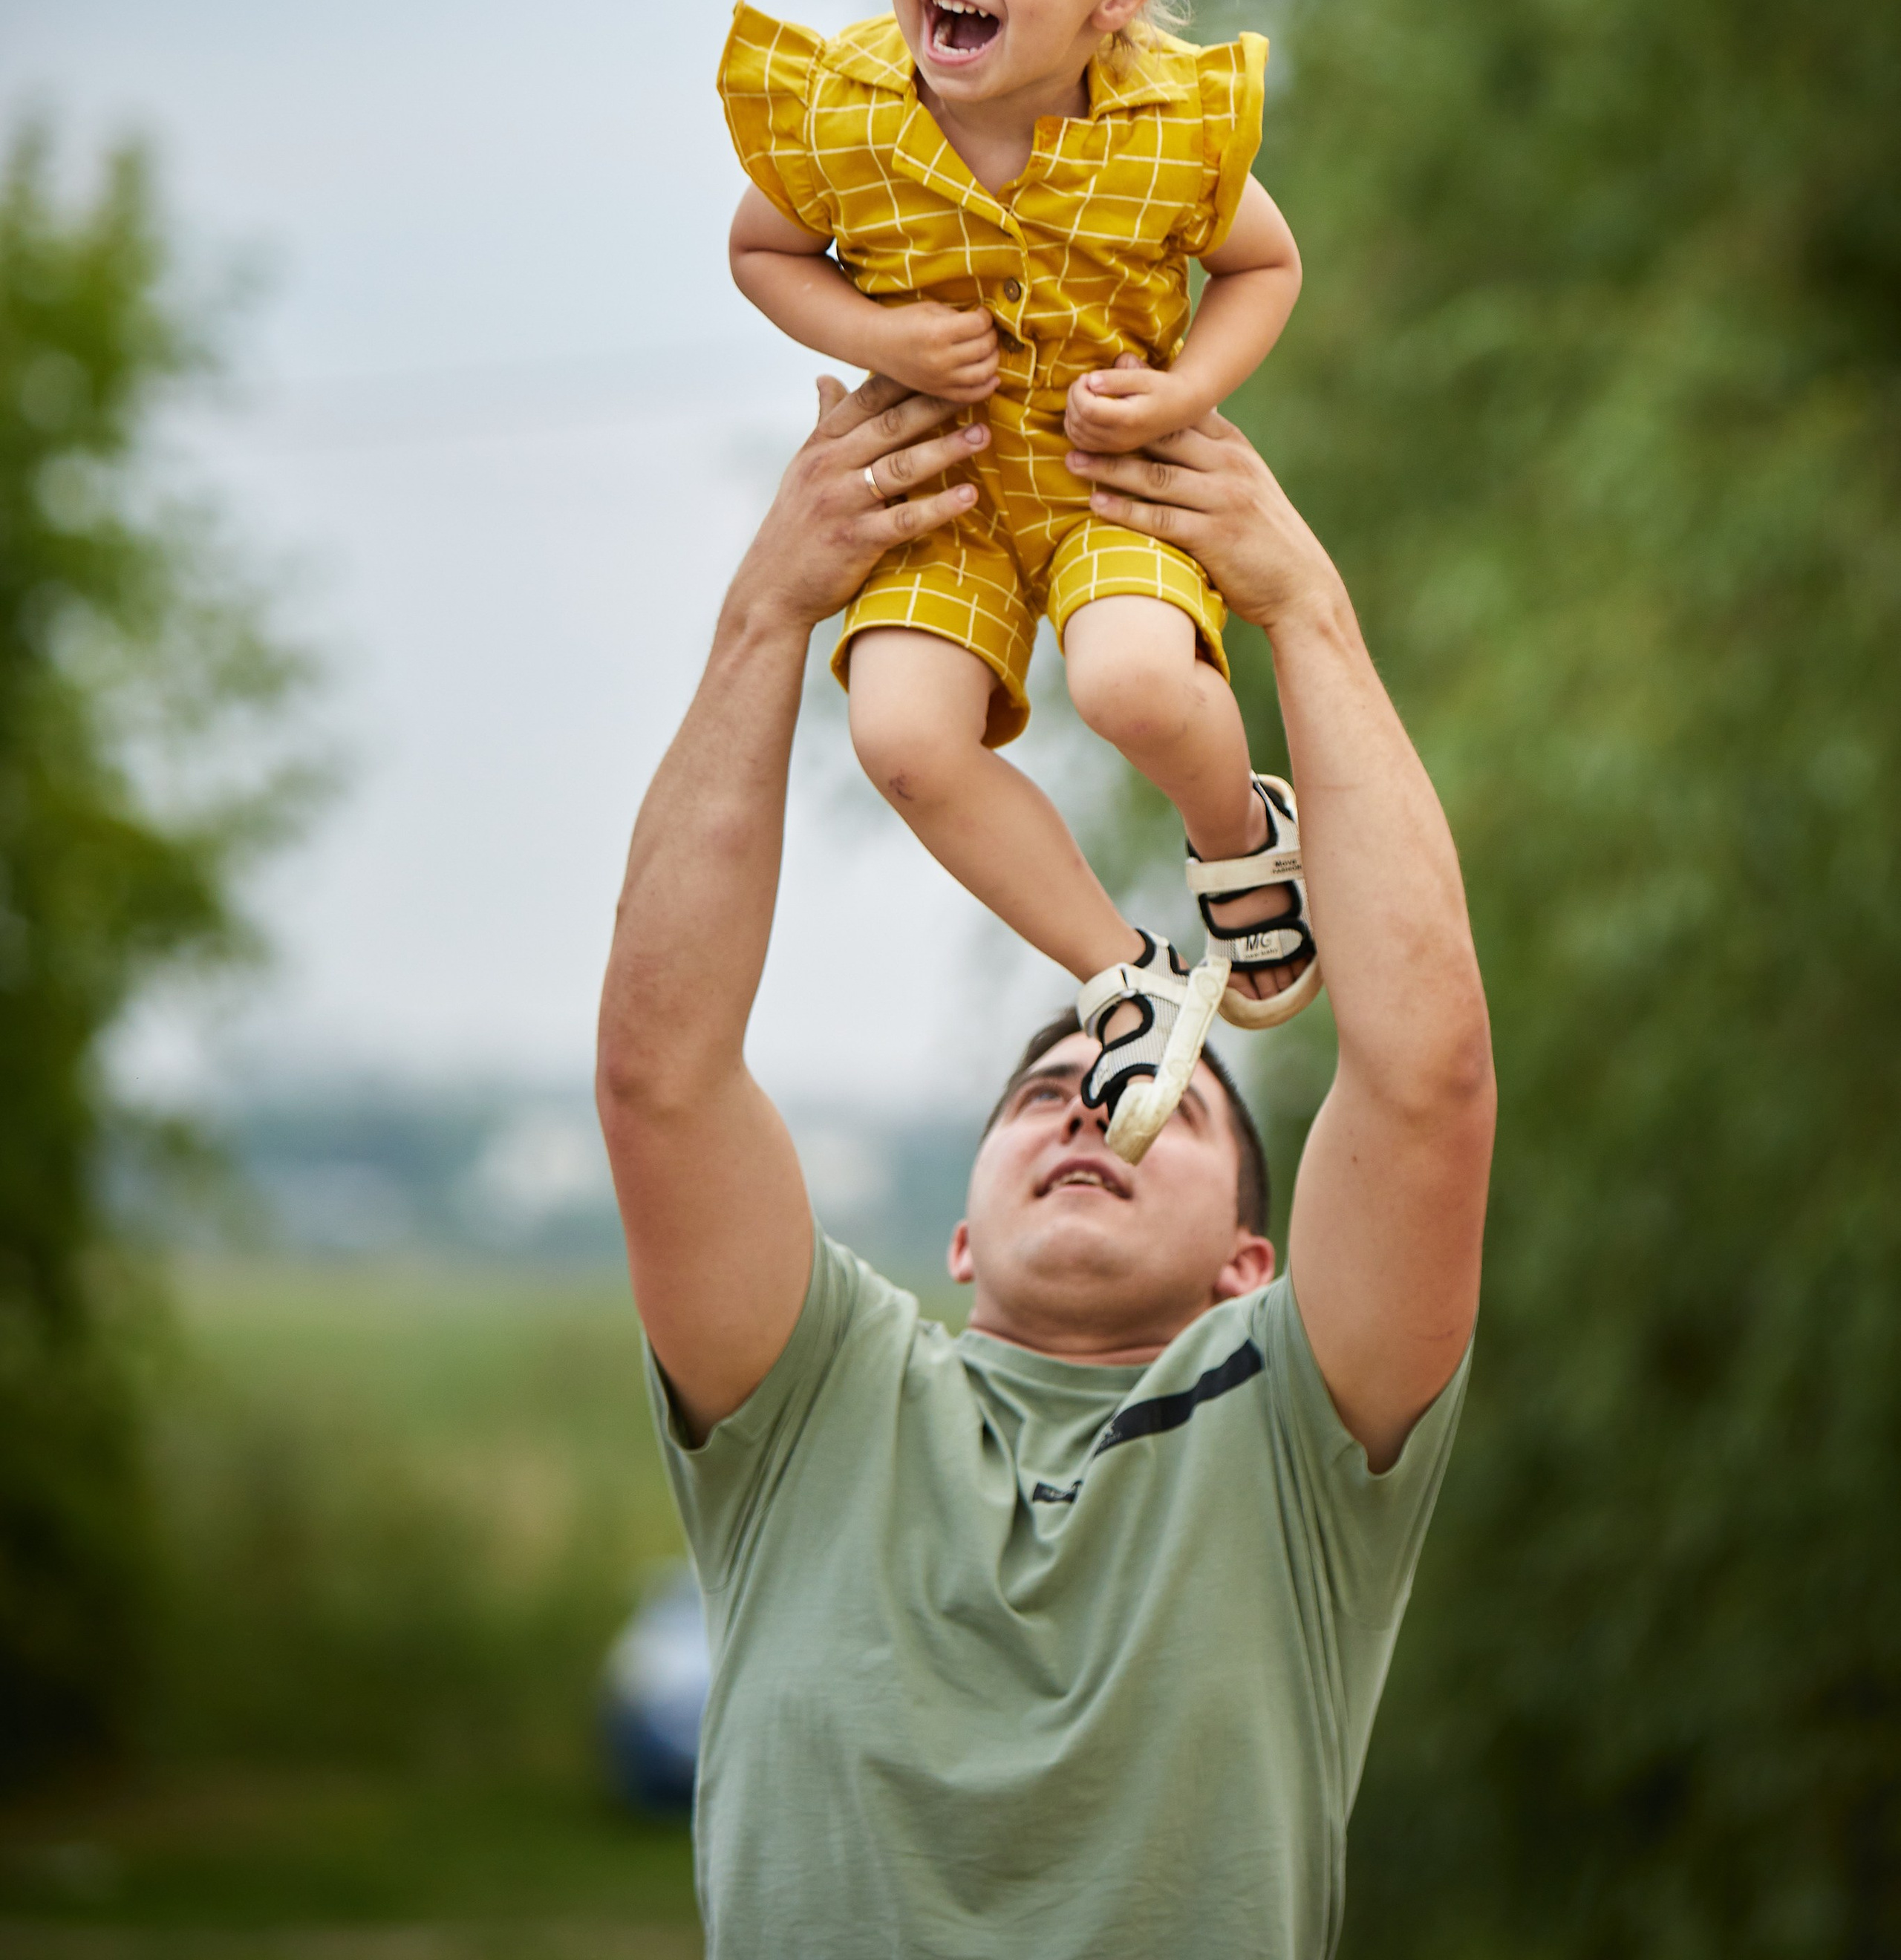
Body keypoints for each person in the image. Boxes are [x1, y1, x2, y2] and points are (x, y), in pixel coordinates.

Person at [596, 376, 1496, 1960]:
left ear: (1249, 1266)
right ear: (957, 1235)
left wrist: (1299, 609)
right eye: (1043, 1091)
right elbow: (659, 1077)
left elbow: (1425, 1083)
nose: (1089, 1102)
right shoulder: (813, 1402)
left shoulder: (1296, 1437)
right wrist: (765, 621)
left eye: (1165, 1106)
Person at [720, 0, 1311, 1157]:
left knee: (1125, 682)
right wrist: (881, 338)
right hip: (942, 487)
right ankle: (1120, 978)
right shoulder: (845, 116)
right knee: (901, 736)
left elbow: (1264, 270)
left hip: (1106, 473)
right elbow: (760, 251)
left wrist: (1180, 387)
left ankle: (1238, 834)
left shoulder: (1167, 133)